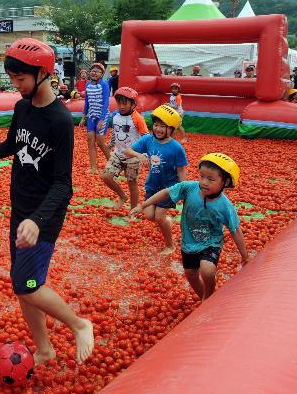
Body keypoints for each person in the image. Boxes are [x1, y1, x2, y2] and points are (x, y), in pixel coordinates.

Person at [0, 38, 95, 366]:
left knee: (27, 285)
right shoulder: (22, 108)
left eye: (20, 78)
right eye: (11, 78)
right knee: (23, 284)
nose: (16, 85)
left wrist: (36, 220)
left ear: (43, 73)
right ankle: (44, 349)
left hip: (42, 217)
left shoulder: (59, 120)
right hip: (21, 210)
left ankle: (79, 324)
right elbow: (10, 145)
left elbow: (63, 185)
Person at [130, 153, 248, 301]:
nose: (204, 182)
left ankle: (209, 295)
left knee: (207, 270)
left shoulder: (225, 206)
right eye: (202, 176)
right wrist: (143, 205)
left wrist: (245, 256)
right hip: (189, 243)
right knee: (191, 275)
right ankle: (204, 298)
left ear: (225, 182)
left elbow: (235, 229)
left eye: (210, 179)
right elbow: (166, 192)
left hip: (211, 243)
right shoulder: (189, 188)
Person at [124, 104, 188, 255]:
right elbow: (127, 150)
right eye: (156, 125)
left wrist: (184, 191)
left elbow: (181, 170)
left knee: (158, 216)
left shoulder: (176, 148)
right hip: (152, 186)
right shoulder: (148, 140)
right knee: (149, 215)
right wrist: (139, 155)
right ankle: (166, 221)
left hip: (169, 187)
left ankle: (170, 246)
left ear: (171, 129)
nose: (158, 129)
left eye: (163, 126)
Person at [101, 87, 148, 208]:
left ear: (133, 104)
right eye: (119, 102)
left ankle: (133, 210)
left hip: (133, 156)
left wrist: (146, 155)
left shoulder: (138, 118)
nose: (121, 106)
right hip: (118, 153)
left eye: (125, 103)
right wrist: (111, 144)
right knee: (106, 177)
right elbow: (115, 132)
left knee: (132, 184)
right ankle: (122, 195)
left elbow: (146, 137)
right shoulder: (115, 115)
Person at [78, 62, 111, 173]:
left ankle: (113, 166)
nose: (94, 73)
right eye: (92, 71)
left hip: (102, 115)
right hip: (92, 116)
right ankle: (93, 168)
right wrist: (83, 117)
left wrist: (102, 119)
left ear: (102, 74)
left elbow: (106, 102)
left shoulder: (104, 85)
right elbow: (87, 102)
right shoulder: (88, 85)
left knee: (100, 142)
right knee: (90, 141)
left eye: (97, 71)